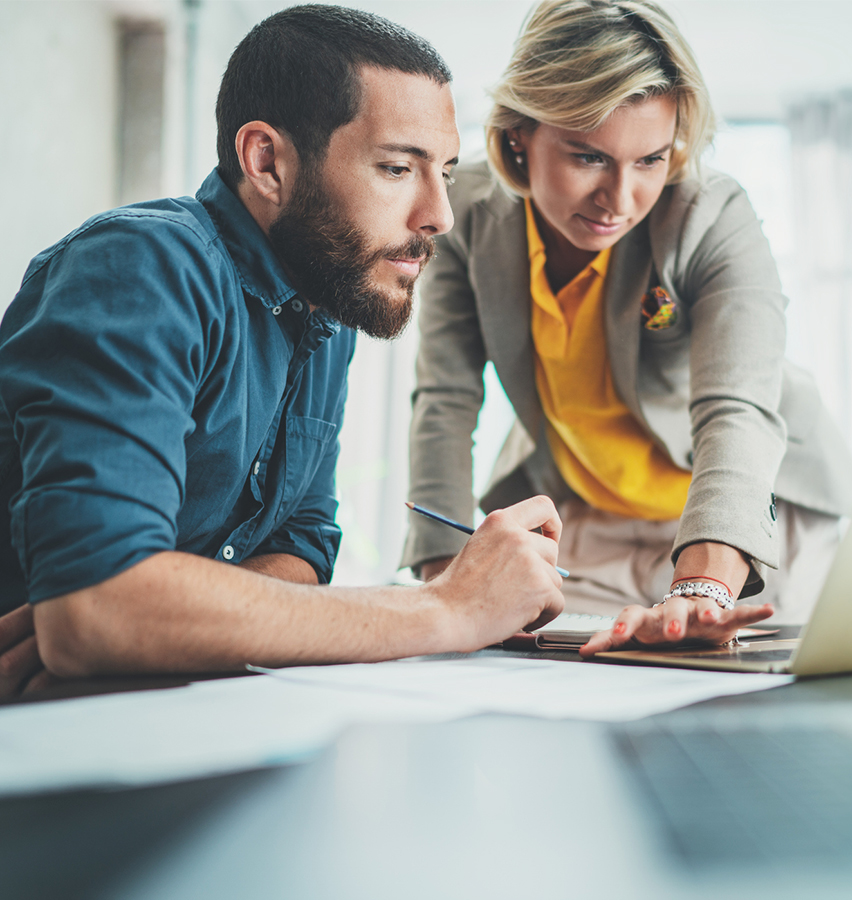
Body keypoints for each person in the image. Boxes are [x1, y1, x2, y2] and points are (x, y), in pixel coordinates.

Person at [0, 4, 566, 696]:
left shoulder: (323, 306)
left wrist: (162, 616)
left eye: (444, 172)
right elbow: (96, 610)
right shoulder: (142, 267)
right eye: (396, 168)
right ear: (267, 161)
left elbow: (300, 545)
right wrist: (447, 607)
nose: (439, 216)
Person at [402, 0, 852, 655]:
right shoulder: (467, 210)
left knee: (744, 698)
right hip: (590, 515)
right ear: (517, 138)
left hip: (757, 516)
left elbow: (737, 409)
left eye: (650, 159)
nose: (619, 199)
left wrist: (705, 588)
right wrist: (443, 581)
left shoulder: (711, 215)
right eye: (588, 157)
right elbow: (446, 398)